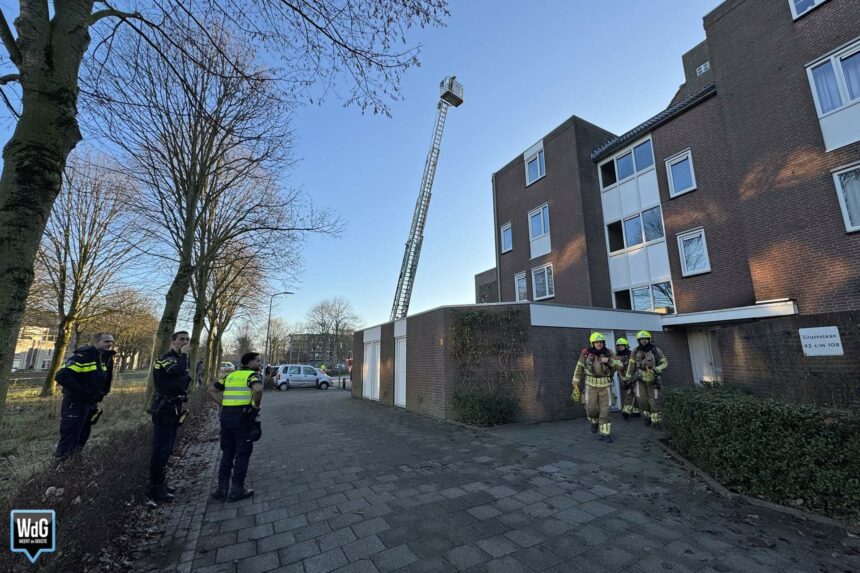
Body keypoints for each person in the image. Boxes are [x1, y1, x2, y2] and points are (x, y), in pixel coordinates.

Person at [207, 351, 264, 502]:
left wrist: (222, 403)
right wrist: (255, 406)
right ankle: (237, 489)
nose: (259, 364)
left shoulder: (230, 376)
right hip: (243, 418)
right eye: (258, 361)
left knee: (227, 452)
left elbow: (211, 390)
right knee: (242, 454)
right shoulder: (252, 375)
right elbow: (258, 389)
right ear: (250, 363)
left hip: (226, 417)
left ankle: (222, 489)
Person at [54, 333, 116, 459]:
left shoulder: (103, 359)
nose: (110, 344)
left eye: (112, 342)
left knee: (83, 433)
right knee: (70, 434)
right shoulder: (82, 357)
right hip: (75, 403)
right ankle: (61, 466)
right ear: (96, 342)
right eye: (106, 341)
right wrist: (83, 392)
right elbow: (61, 376)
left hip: (90, 403)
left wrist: (100, 394)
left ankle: (74, 463)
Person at [147, 331, 191, 503]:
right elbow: (177, 371)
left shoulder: (179, 359)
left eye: (187, 340)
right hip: (164, 408)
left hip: (174, 406)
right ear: (173, 341)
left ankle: (161, 483)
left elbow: (183, 380)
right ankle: (155, 488)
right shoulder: (166, 358)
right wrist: (185, 355)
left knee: (168, 447)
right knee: (161, 448)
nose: (185, 342)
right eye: (182, 340)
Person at [572, 332, 621, 442]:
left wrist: (609, 361)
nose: (599, 344)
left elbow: (620, 366)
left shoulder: (609, 353)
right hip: (591, 386)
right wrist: (575, 382)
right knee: (591, 409)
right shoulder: (586, 354)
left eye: (601, 342)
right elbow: (579, 368)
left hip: (605, 387)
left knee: (605, 410)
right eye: (596, 342)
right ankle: (594, 422)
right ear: (592, 343)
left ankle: (605, 434)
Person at [624, 330, 668, 426]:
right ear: (638, 341)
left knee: (654, 400)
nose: (644, 341)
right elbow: (631, 366)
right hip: (640, 379)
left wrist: (657, 369)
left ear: (649, 339)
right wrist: (627, 378)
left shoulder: (656, 350)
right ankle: (648, 414)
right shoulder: (635, 351)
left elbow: (665, 363)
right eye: (641, 339)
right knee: (641, 400)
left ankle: (656, 421)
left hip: (654, 378)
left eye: (645, 339)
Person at [615, 338, 640, 421]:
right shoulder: (617, 356)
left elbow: (635, 366)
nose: (620, 347)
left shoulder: (631, 354)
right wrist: (622, 377)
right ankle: (636, 412)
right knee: (632, 394)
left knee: (632, 393)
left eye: (622, 345)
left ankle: (626, 412)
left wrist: (632, 377)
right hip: (624, 378)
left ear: (626, 345)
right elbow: (617, 368)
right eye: (619, 346)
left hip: (633, 376)